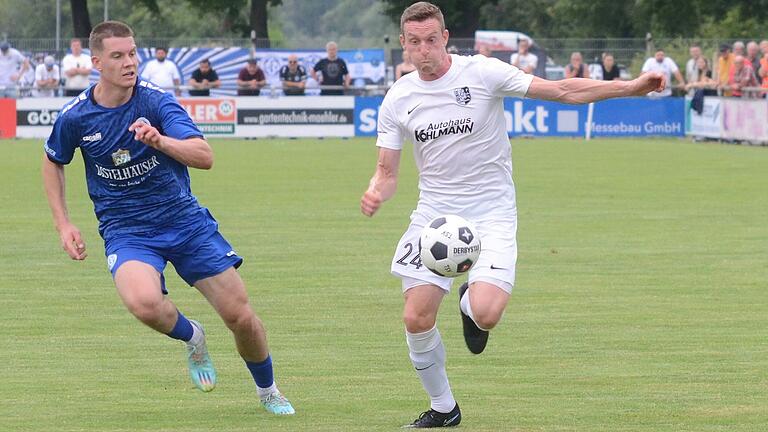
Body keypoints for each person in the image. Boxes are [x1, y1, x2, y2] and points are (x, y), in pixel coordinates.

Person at [359, 2, 664, 428]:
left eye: (431, 40)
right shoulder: (399, 98)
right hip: (435, 218)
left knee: (487, 313)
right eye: (414, 42)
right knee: (415, 315)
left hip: (491, 212)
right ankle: (444, 409)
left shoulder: (482, 73)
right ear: (404, 44)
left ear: (445, 38)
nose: (423, 50)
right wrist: (376, 192)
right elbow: (386, 173)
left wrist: (629, 87)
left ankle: (468, 303)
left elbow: (562, 91)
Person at [41, 21, 295, 416]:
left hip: (185, 223)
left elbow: (204, 156)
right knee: (144, 304)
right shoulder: (76, 116)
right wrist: (63, 223)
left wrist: (160, 140)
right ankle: (193, 337)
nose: (129, 62)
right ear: (96, 62)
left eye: (132, 53)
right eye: (118, 56)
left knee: (241, 317)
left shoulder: (156, 102)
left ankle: (269, 391)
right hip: (127, 231)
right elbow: (53, 161)